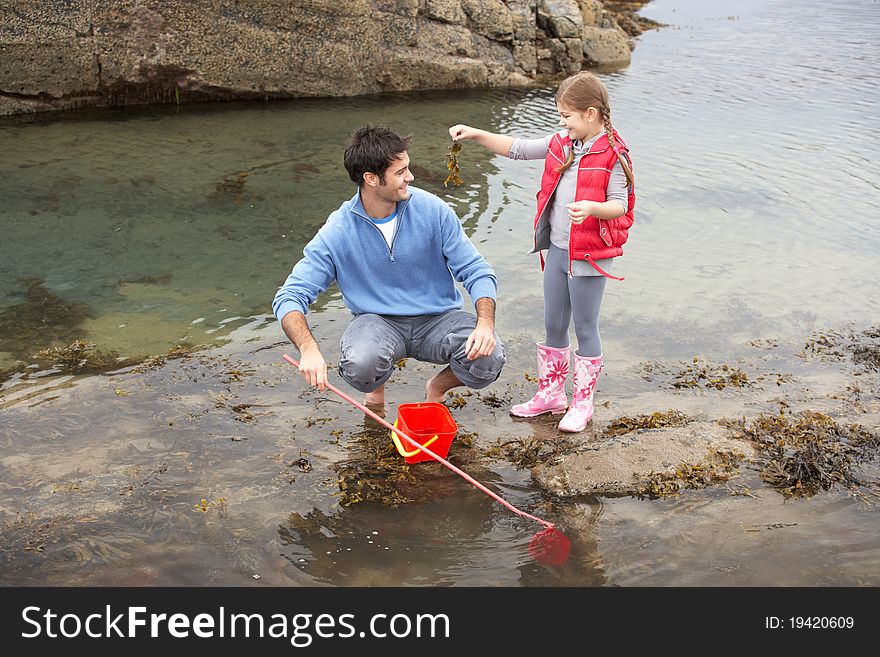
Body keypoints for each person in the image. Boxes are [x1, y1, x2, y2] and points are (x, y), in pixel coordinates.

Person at [448, 71, 635, 433]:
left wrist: (592, 209)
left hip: (590, 255)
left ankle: (583, 403)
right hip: (559, 249)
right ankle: (551, 394)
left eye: (567, 116)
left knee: (584, 325)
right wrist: (476, 133)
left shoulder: (614, 154)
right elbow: (517, 149)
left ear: (591, 113)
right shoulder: (562, 142)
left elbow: (620, 205)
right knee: (553, 322)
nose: (562, 123)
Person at [272, 125, 505, 411]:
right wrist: (308, 349)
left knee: (488, 358)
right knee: (361, 363)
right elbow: (290, 296)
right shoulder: (338, 230)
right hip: (377, 322)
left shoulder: (434, 210)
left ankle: (436, 387)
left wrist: (485, 325)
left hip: (438, 319)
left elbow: (477, 270)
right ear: (371, 178)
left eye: (407, 167)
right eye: (400, 172)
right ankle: (375, 391)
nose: (411, 177)